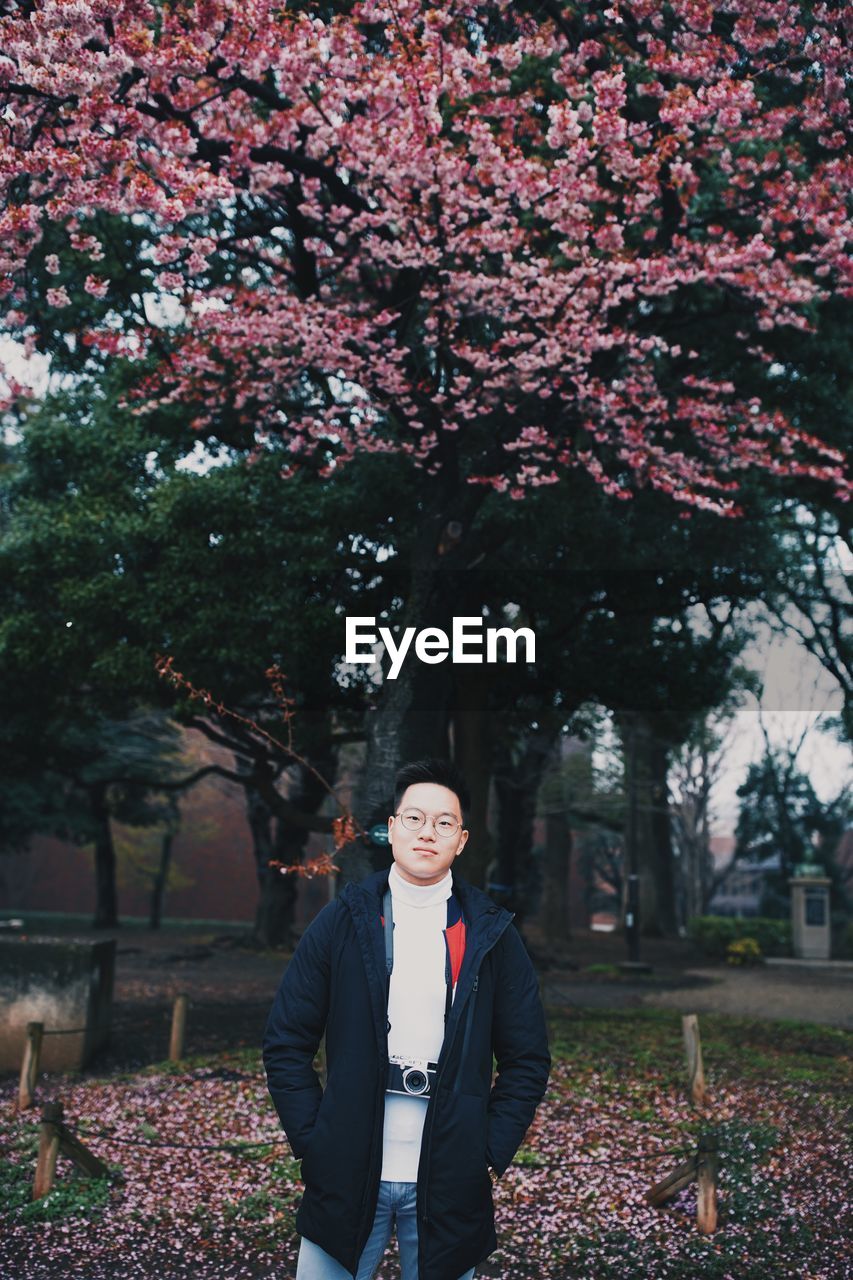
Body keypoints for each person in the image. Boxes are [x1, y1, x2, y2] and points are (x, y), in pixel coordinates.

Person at [262, 757, 551, 1280]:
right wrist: (314, 1139)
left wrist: (486, 1150)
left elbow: (527, 1057)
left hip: (448, 1178)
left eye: (444, 823)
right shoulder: (344, 920)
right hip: (348, 1170)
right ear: (391, 829)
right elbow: (286, 1041)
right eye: (414, 818)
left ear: (461, 840)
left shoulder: (492, 935)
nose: (427, 833)